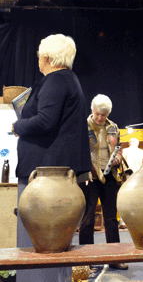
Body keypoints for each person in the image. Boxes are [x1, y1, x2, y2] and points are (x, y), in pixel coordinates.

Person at [12, 33, 92, 282]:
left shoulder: (56, 80)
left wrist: (18, 126)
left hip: (44, 178)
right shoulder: (68, 79)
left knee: (38, 249)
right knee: (55, 249)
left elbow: (46, 120)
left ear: (46, 57)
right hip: (54, 177)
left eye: (39, 55)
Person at [78, 94, 128, 270]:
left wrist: (118, 158)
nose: (100, 118)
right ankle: (87, 260)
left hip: (109, 177)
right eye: (98, 114)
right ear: (93, 110)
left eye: (104, 115)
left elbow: (119, 148)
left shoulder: (113, 127)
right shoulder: (82, 127)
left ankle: (114, 258)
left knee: (111, 219)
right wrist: (82, 173)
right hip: (88, 178)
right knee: (88, 219)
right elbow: (77, 152)